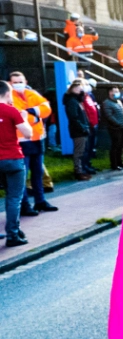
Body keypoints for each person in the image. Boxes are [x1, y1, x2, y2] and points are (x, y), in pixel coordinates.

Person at [9, 72, 56, 216]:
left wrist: (31, 112)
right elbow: (16, 116)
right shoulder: (9, 97)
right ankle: (25, 206)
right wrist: (35, 116)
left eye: (20, 81)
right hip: (22, 141)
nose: (18, 84)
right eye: (15, 82)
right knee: (23, 175)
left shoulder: (32, 93)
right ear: (10, 83)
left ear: (25, 81)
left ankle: (40, 201)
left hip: (37, 140)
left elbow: (47, 109)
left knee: (38, 173)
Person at [0, 81, 34, 247]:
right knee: (14, 198)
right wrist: (25, 119)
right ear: (7, 94)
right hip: (13, 158)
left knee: (8, 195)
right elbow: (28, 133)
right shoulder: (11, 110)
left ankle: (13, 231)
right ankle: (13, 234)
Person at [62, 79, 92, 181]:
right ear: (72, 89)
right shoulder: (72, 102)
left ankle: (82, 170)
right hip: (78, 131)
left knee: (82, 151)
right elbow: (73, 117)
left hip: (81, 129)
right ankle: (78, 172)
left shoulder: (77, 101)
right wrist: (83, 128)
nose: (81, 90)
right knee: (79, 152)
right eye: (78, 88)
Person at [102, 85, 123, 170]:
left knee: (121, 146)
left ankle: (120, 162)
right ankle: (114, 164)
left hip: (122, 127)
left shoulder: (118, 102)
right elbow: (109, 116)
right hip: (115, 128)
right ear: (110, 92)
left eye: (118, 91)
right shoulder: (107, 103)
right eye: (115, 91)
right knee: (115, 146)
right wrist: (118, 123)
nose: (117, 93)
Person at [81, 83, 101, 174]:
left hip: (94, 124)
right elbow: (86, 112)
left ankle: (88, 164)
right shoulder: (82, 98)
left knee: (91, 147)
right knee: (87, 147)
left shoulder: (89, 96)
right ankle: (84, 166)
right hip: (89, 126)